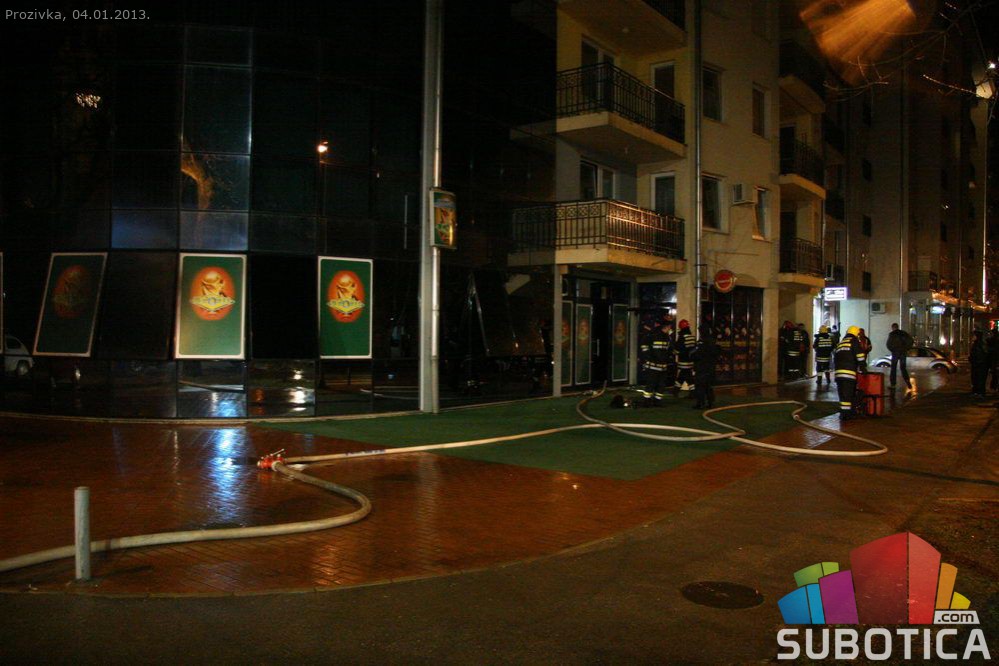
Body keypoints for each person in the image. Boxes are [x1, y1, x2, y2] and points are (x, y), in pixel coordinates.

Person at [639, 319, 675, 406]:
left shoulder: (667, 337)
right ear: (666, 327)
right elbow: (644, 345)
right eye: (669, 327)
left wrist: (669, 357)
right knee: (651, 383)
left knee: (661, 384)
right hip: (653, 365)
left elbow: (669, 349)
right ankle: (647, 401)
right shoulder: (653, 335)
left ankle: (657, 400)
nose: (670, 329)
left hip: (662, 366)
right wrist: (648, 356)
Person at [834, 326, 866, 419]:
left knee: (842, 395)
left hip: (838, 374)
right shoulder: (854, 342)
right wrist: (863, 367)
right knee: (848, 395)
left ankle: (844, 412)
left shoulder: (841, 343)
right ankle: (846, 415)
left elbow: (835, 358)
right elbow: (860, 356)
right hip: (849, 374)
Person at [691, 324, 718, 409]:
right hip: (710, 367)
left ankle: (700, 403)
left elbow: (695, 354)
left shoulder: (702, 342)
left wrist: (693, 356)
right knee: (708, 386)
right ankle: (710, 402)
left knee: (700, 385)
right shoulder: (712, 341)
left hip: (701, 367)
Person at [885, 322, 914, 390]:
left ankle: (893, 384)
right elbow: (911, 341)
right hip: (903, 353)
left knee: (893, 368)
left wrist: (893, 350)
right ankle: (908, 382)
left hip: (895, 353)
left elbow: (888, 344)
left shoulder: (892, 334)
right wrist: (906, 349)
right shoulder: (904, 333)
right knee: (903, 368)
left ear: (892, 328)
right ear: (897, 327)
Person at [675, 319, 696, 394]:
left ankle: (693, 392)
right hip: (690, 360)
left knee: (687, 376)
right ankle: (676, 390)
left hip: (683, 361)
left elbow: (678, 349)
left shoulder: (682, 337)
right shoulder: (692, 337)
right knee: (683, 376)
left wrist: (673, 352)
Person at [969, 330, 989, 398]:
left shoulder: (981, 344)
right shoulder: (976, 344)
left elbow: (984, 354)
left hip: (980, 365)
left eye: (974, 335)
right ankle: (976, 392)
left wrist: (978, 361)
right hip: (976, 364)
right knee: (975, 379)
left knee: (980, 379)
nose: (972, 337)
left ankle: (980, 393)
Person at [986, 326, 999, 392]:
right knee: (995, 374)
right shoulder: (992, 340)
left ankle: (994, 386)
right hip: (994, 359)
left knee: (995, 374)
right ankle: (994, 386)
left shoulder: (992, 340)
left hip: (994, 359)